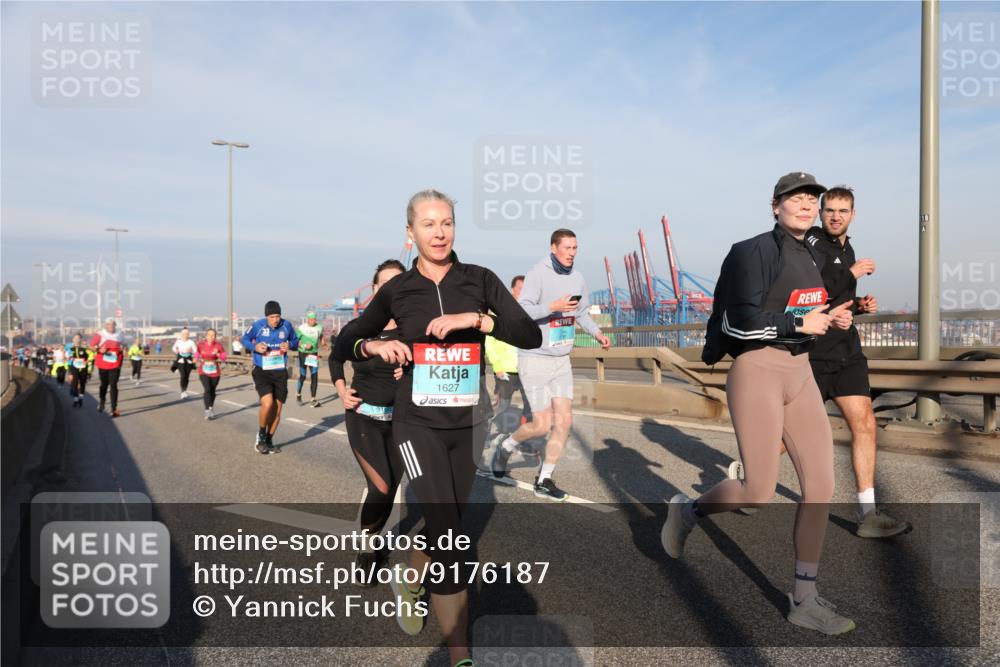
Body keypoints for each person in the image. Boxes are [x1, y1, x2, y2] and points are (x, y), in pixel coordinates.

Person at [332, 189, 540, 666]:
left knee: (451, 524)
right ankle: (460, 656)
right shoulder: (398, 290)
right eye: (428, 224)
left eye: (446, 222)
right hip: (416, 423)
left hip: (469, 424)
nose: (440, 232)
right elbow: (347, 340)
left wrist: (480, 321)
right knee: (451, 539)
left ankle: (410, 578)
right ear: (411, 233)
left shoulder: (480, 279)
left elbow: (530, 334)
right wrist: (372, 348)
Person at [664, 172, 856, 635]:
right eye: (796, 198)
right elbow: (737, 321)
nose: (806, 204)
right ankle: (687, 512)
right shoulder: (751, 251)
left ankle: (804, 599)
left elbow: (799, 308)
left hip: (800, 372)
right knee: (759, 491)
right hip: (758, 371)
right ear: (775, 206)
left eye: (812, 198)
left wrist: (830, 317)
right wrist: (797, 325)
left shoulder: (811, 253)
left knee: (821, 485)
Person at [806, 186, 910, 538]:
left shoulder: (845, 247)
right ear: (821, 213)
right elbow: (815, 293)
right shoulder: (812, 243)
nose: (836, 216)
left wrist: (859, 307)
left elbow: (839, 301)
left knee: (864, 423)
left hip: (847, 355)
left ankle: (868, 514)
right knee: (792, 435)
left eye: (843, 211)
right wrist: (851, 273)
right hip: (814, 356)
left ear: (853, 214)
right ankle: (750, 478)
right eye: (830, 210)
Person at [490, 228, 611, 501]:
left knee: (564, 420)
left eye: (575, 248)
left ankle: (544, 479)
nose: (572, 253)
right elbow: (522, 311)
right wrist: (552, 307)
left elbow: (582, 313)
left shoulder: (578, 278)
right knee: (542, 425)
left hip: (561, 359)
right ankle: (506, 446)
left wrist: (598, 334)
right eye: (567, 248)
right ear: (554, 248)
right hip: (535, 358)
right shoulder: (537, 273)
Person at [329, 259, 406, 579]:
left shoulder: (413, 329)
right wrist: (341, 389)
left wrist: (412, 372)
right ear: (375, 288)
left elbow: (432, 363)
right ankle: (365, 548)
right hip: (363, 416)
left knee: (390, 490)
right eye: (385, 283)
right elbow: (336, 357)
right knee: (381, 486)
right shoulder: (361, 328)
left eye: (398, 283)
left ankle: (372, 540)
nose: (391, 289)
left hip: (402, 422)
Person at [242, 301, 299, 454]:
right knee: (267, 404)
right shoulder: (258, 325)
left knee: (277, 409)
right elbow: (244, 339)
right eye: (272, 317)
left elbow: (296, 341)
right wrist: (255, 347)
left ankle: (269, 440)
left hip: (279, 372)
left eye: (278, 316)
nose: (275, 320)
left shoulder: (286, 326)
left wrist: (290, 345)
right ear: (266, 316)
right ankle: (261, 436)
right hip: (262, 371)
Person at [484, 275, 534, 440]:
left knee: (531, 407)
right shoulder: (500, 313)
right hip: (506, 370)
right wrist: (497, 367)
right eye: (521, 289)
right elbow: (489, 343)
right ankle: (485, 433)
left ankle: (523, 439)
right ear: (512, 290)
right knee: (502, 407)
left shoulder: (531, 313)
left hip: (527, 370)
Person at [90, 318, 125, 417]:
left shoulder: (120, 334)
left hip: (115, 363)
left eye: (113, 324)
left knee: (113, 385)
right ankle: (102, 401)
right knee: (104, 384)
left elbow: (124, 345)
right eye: (109, 324)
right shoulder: (100, 334)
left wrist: (125, 349)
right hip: (103, 363)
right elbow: (91, 346)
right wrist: (99, 350)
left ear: (115, 325)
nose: (111, 326)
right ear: (105, 325)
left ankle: (114, 408)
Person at [197, 328, 227, 420]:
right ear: (206, 336)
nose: (211, 336)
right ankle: (207, 410)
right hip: (203, 370)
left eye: (213, 335)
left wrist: (218, 355)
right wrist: (197, 358)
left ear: (215, 336)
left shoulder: (218, 345)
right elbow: (197, 353)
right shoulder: (201, 345)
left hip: (215, 371)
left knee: (212, 391)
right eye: (209, 335)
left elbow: (224, 357)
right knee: (207, 389)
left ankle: (210, 407)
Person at [296, 311, 324, 407]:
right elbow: (295, 341)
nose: (313, 321)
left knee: (314, 376)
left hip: (313, 354)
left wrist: (323, 343)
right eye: (311, 319)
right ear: (308, 319)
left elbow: (321, 336)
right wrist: (304, 345)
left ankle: (313, 399)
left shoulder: (319, 327)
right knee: (303, 376)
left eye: (315, 319)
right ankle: (298, 395)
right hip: (303, 354)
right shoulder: (301, 328)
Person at [66, 334, 93, 408]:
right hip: (74, 367)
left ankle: (81, 398)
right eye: (74, 338)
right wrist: (69, 371)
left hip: (84, 367)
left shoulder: (85, 348)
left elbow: (91, 356)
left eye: (78, 338)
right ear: (73, 339)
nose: (76, 339)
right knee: (74, 383)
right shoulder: (70, 348)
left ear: (80, 339)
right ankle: (75, 399)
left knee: (82, 383)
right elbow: (68, 359)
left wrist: (88, 361)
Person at [172, 328, 198, 399]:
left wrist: (191, 351)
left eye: (187, 334)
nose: (185, 335)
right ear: (181, 334)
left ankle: (185, 390)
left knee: (186, 376)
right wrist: (176, 350)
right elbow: (173, 348)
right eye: (183, 334)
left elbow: (196, 351)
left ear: (188, 334)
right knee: (183, 375)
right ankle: (183, 391)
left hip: (189, 360)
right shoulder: (178, 341)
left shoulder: (191, 342)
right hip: (181, 360)